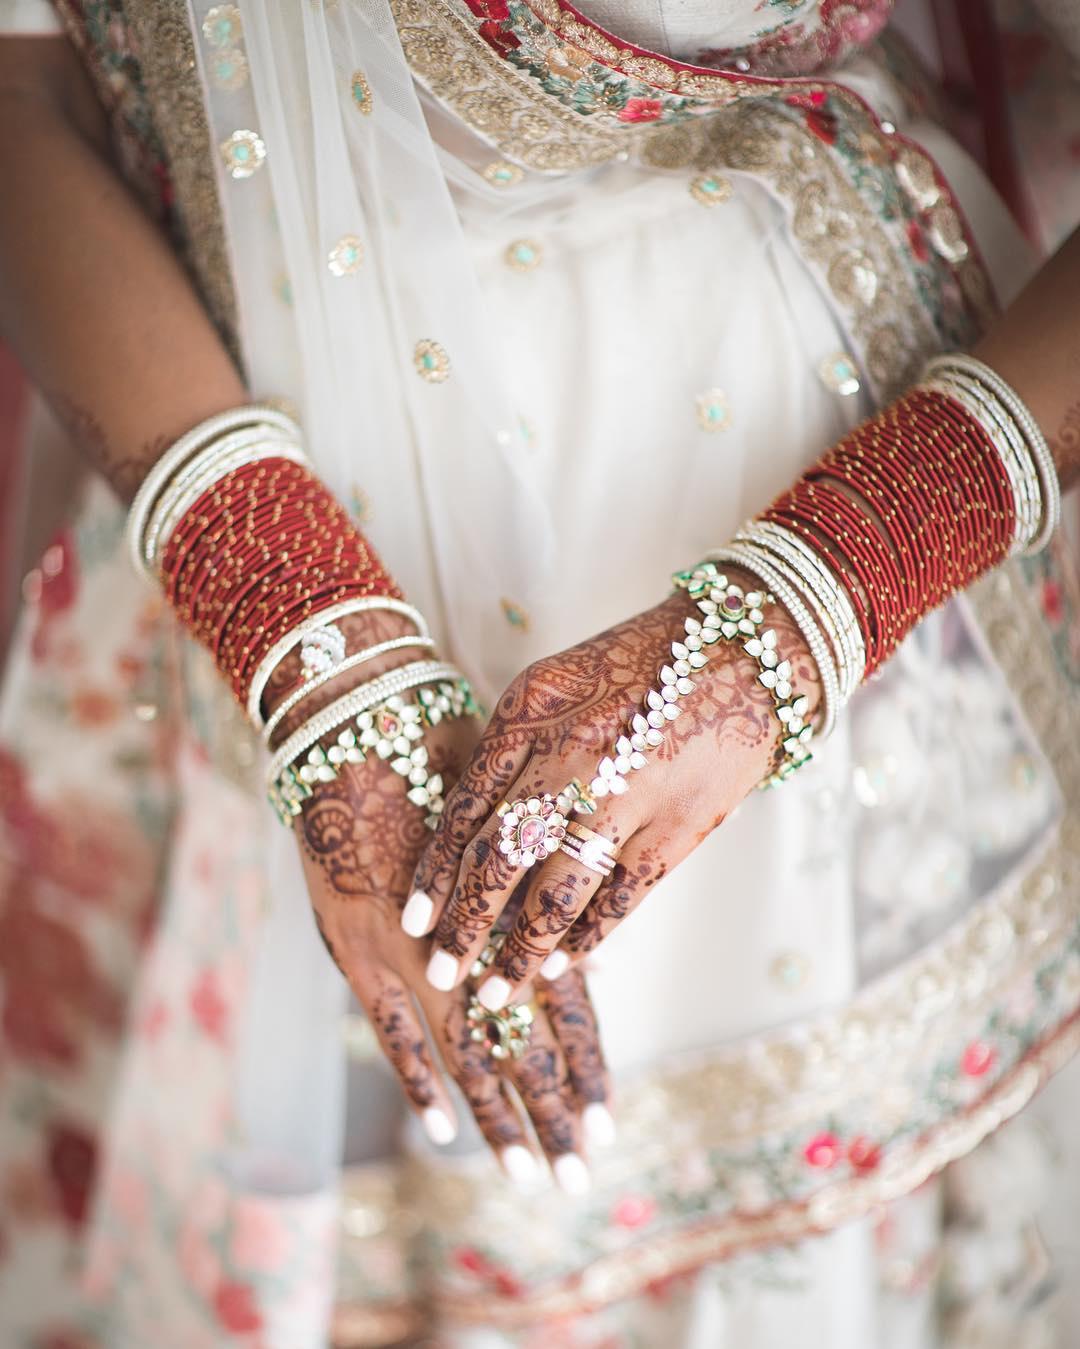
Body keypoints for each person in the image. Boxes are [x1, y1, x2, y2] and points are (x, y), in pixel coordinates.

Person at [1, 0, 1079, 1345]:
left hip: (805, 641)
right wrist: (297, 631)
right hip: (210, 520)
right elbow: (22, 84)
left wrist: (798, 617)